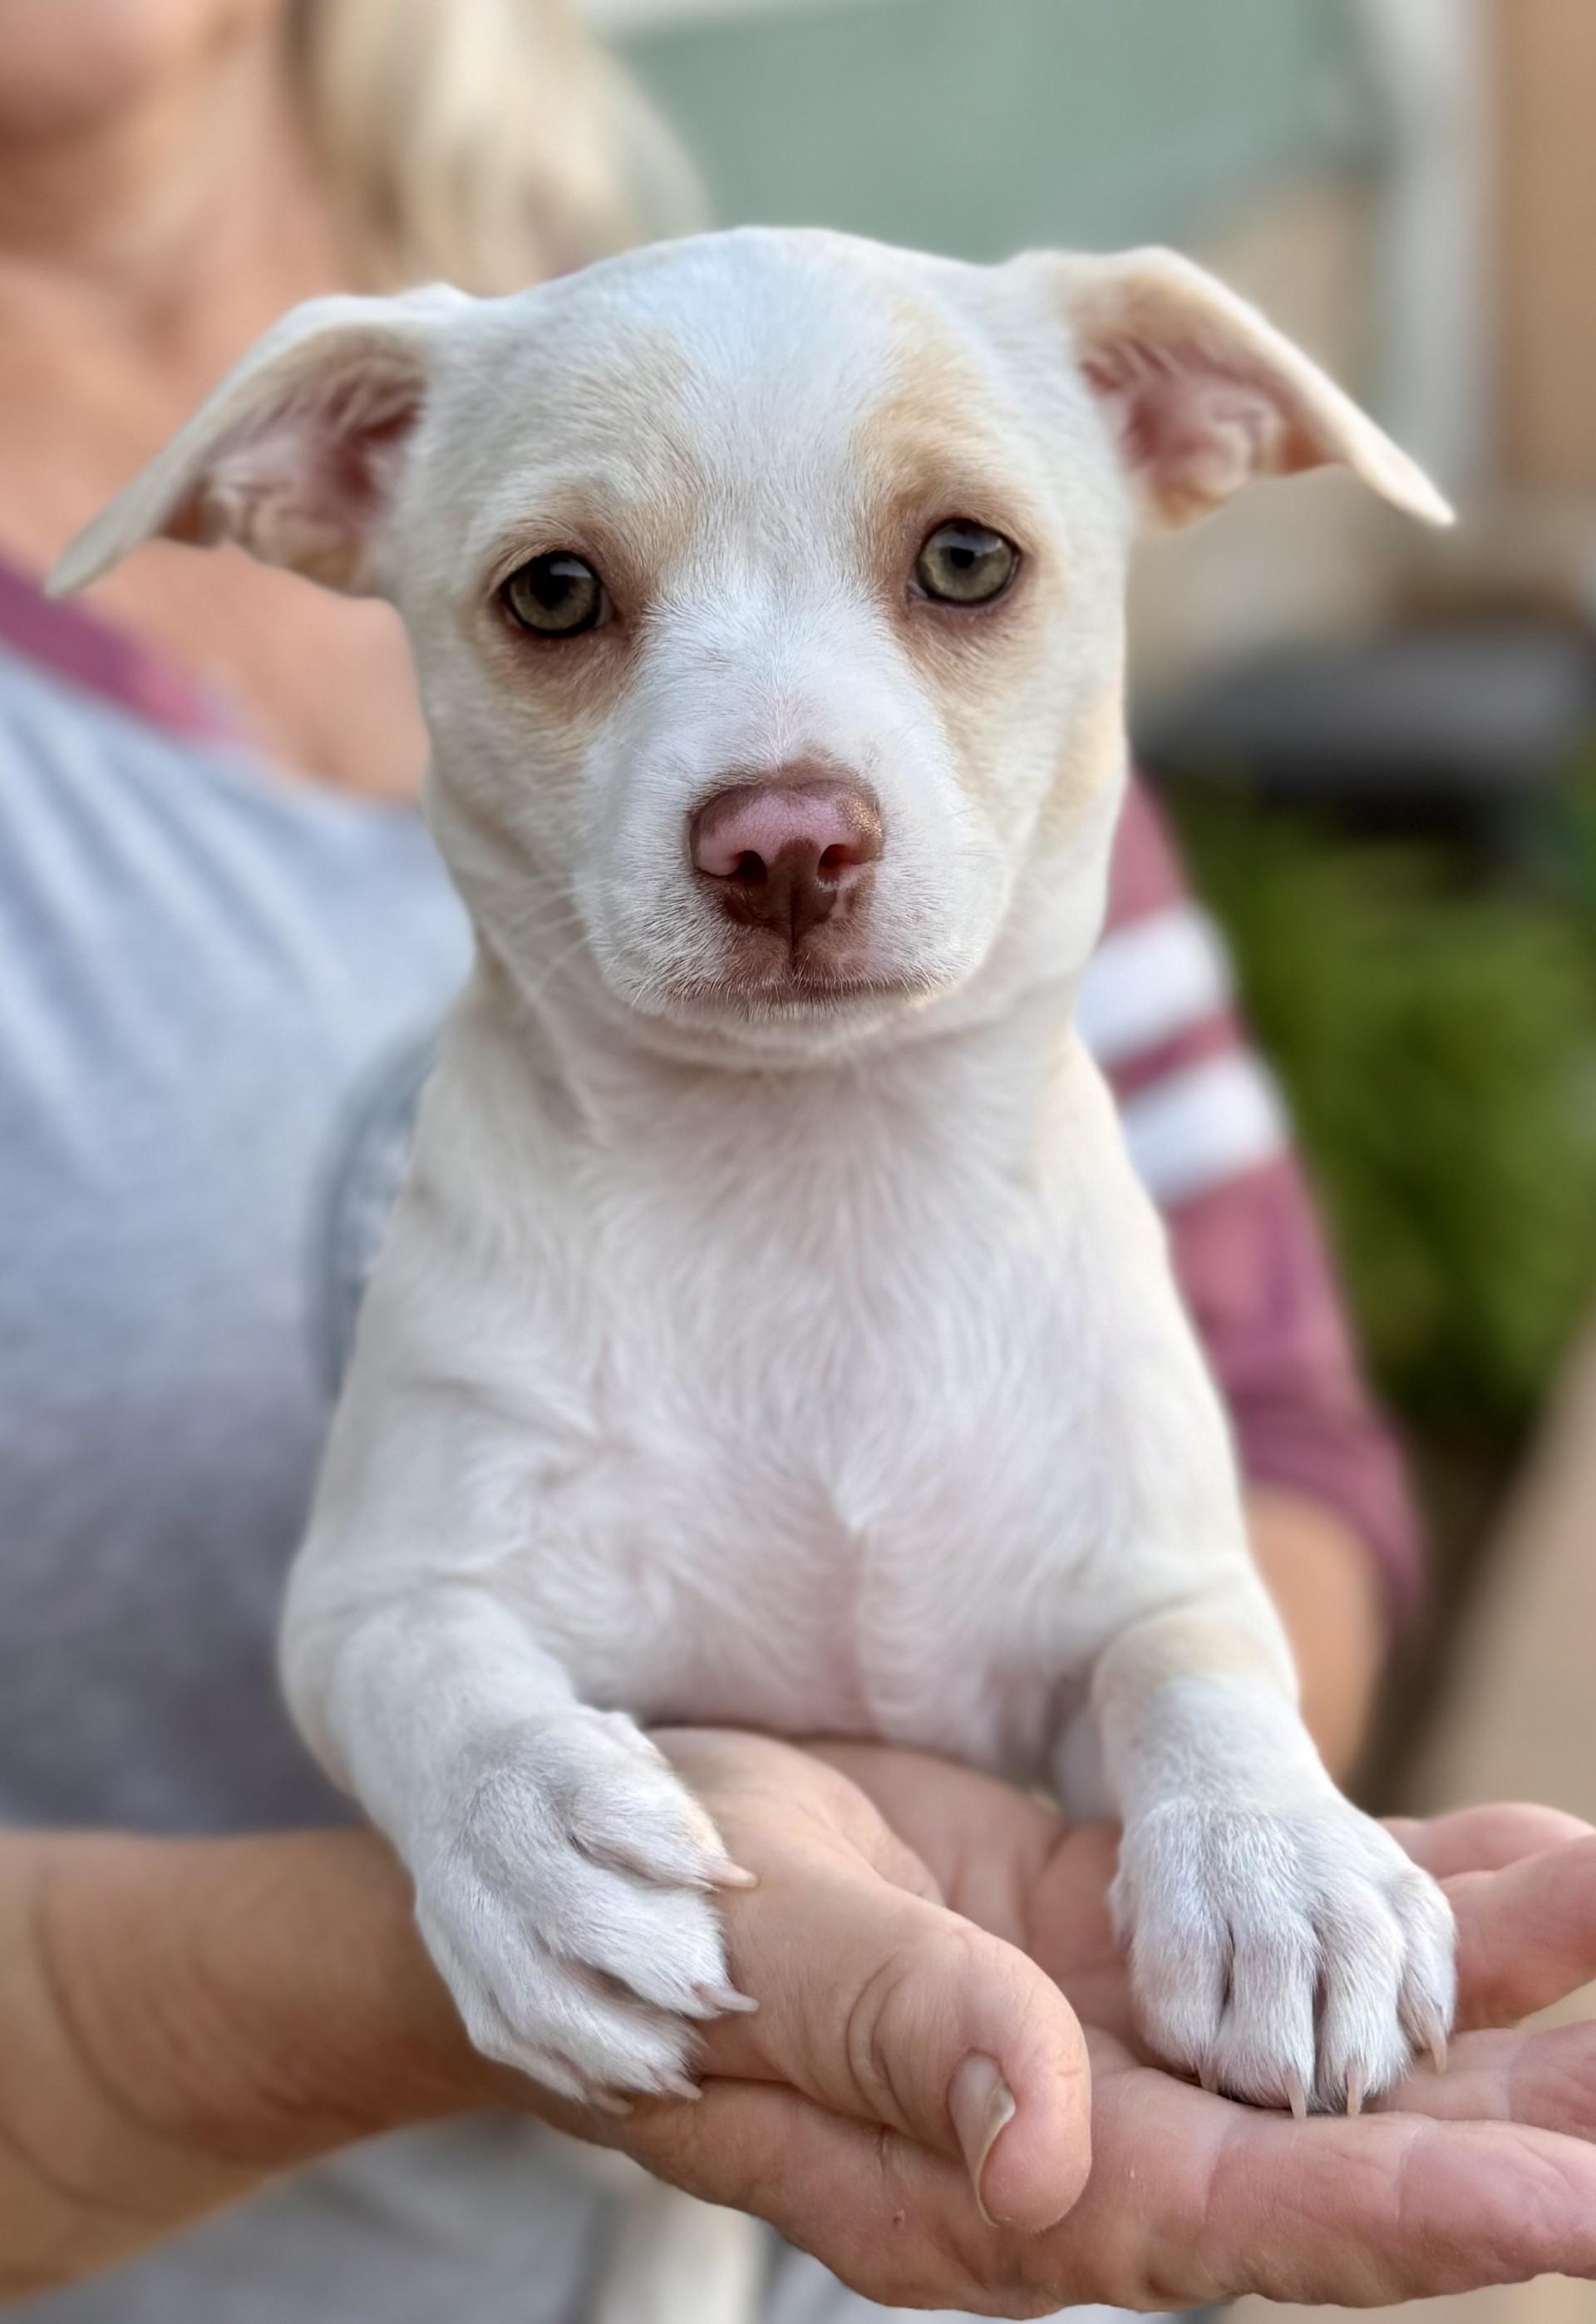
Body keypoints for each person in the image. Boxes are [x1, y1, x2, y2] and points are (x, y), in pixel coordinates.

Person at [4, 2, 1596, 2317]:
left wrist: (1208, 1774)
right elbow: (398, 1612)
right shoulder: (442, 406)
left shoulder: (797, 330)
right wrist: (460, 1825)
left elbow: (1240, 1508)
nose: (784, 794)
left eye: (957, 567)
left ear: (1180, 428)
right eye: (566, 600)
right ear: (323, 494)